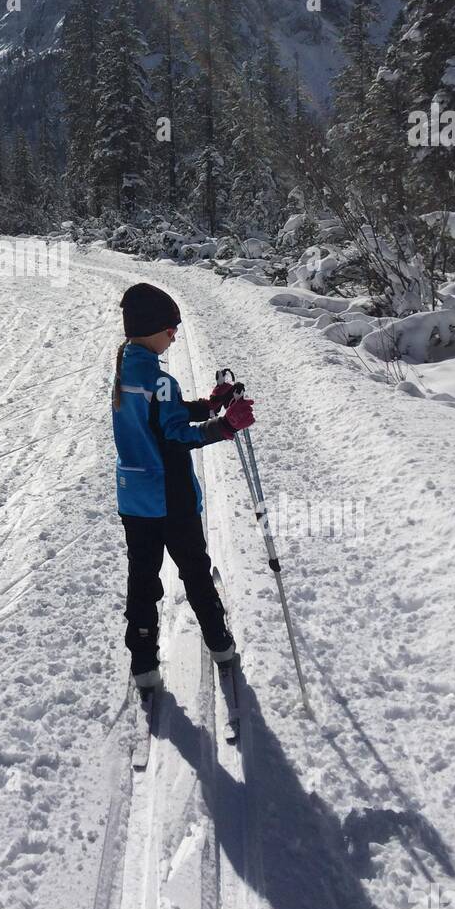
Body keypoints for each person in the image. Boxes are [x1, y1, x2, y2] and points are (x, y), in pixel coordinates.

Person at [111, 282, 255, 691]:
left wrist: (209, 404)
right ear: (152, 328)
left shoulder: (126, 371)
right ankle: (220, 644)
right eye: (170, 328)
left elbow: (162, 415)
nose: (174, 335)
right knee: (193, 568)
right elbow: (175, 435)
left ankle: (143, 665)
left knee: (143, 578)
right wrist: (224, 425)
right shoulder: (160, 379)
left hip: (135, 498)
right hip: (171, 497)